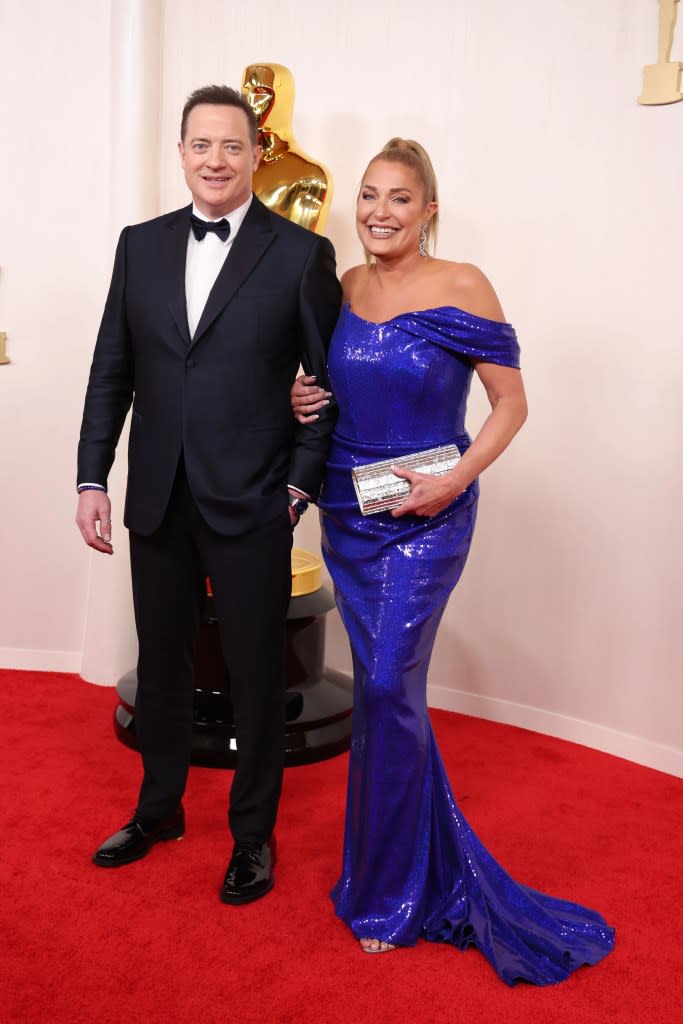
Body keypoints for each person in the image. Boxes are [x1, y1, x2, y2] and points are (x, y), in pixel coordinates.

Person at [290, 139, 615, 983]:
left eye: (399, 198)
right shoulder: (344, 286)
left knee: (392, 684)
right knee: (377, 692)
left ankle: (394, 897)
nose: (378, 212)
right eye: (367, 196)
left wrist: (453, 482)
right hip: (350, 509)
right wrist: (301, 393)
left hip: (429, 514)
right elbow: (328, 388)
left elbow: (511, 403)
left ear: (429, 209)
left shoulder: (463, 284)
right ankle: (385, 873)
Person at [76, 85, 340, 904]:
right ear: (181, 152)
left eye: (231, 146)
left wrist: (296, 488)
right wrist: (92, 474)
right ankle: (158, 810)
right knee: (162, 666)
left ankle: (252, 836)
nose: (215, 161)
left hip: (253, 498)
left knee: (256, 673)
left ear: (256, 154)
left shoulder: (299, 255)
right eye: (200, 145)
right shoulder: (140, 244)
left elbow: (327, 391)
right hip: (156, 494)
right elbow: (111, 369)